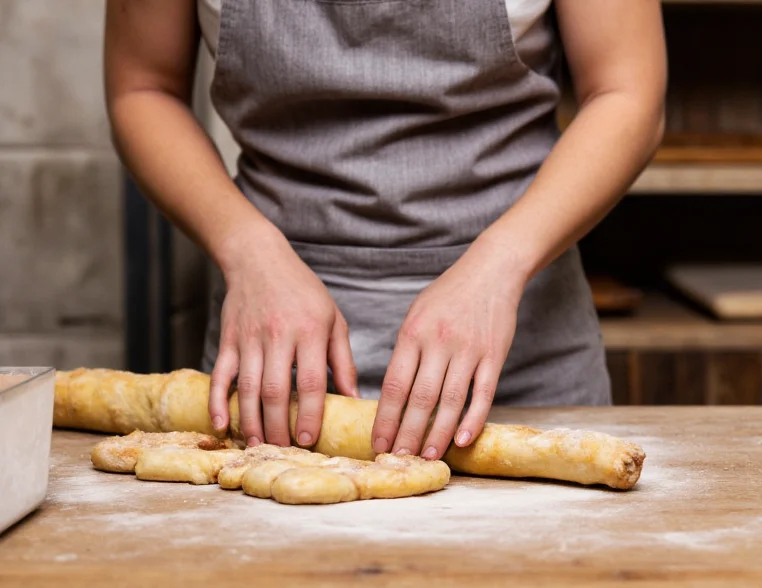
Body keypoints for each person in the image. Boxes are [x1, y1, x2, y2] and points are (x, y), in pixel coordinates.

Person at [104, 0, 666, 461]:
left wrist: (501, 263)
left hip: (520, 341)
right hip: (271, 352)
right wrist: (247, 248)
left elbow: (627, 90)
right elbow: (142, 88)